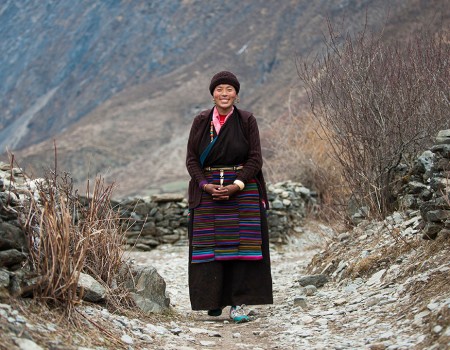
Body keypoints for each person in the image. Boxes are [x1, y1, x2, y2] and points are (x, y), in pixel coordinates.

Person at [186, 71, 273, 323]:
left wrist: (236, 185)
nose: (224, 94)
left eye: (229, 89)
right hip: (208, 190)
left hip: (242, 189)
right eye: (219, 89)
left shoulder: (246, 120)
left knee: (243, 249)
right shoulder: (201, 121)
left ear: (236, 93)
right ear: (212, 93)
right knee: (208, 248)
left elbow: (255, 158)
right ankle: (212, 301)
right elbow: (192, 159)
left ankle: (239, 304)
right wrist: (204, 185)